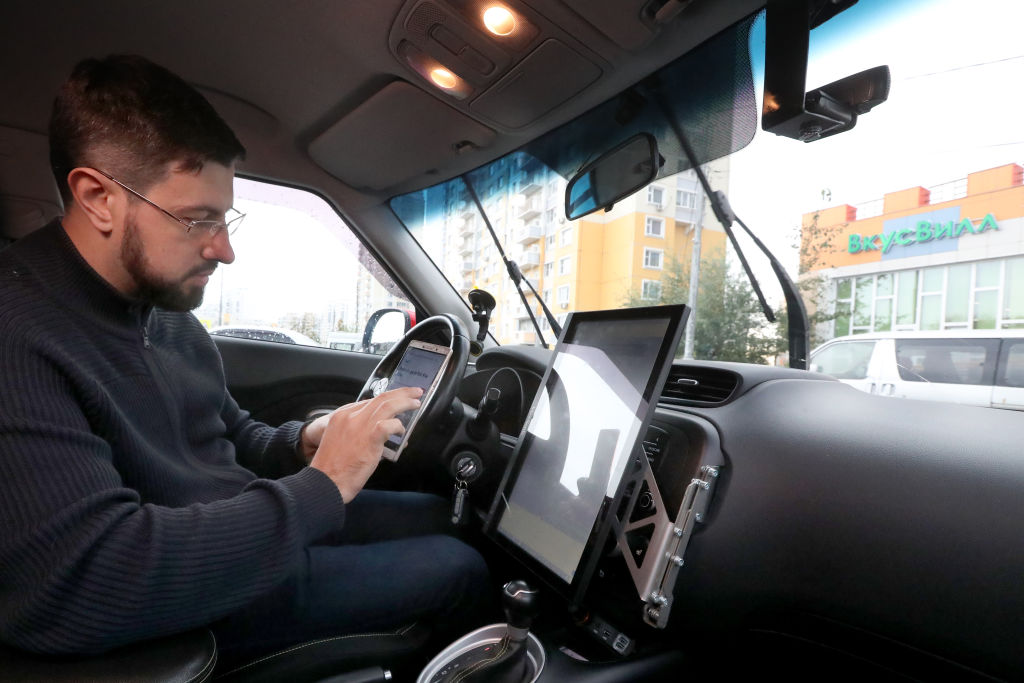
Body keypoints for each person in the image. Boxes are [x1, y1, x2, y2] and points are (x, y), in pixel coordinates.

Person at [0, 55, 490, 668]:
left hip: (245, 530)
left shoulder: (163, 308)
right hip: (196, 596)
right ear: (97, 197)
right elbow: (87, 580)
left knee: (447, 517)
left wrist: (306, 444)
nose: (224, 249)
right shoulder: (18, 334)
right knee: (461, 567)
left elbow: (228, 434)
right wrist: (327, 485)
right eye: (198, 219)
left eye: (225, 217)